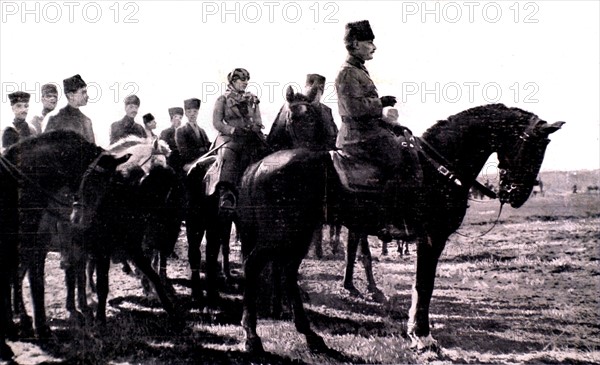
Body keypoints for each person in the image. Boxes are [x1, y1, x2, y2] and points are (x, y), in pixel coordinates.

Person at [335, 20, 417, 239]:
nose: (373, 47)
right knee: (401, 159)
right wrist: (381, 102)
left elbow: (367, 109)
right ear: (354, 44)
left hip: (368, 132)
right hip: (358, 136)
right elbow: (354, 109)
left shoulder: (358, 70)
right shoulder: (347, 73)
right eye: (368, 42)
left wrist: (393, 125)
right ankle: (388, 221)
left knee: (410, 146)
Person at [210, 68, 266, 210]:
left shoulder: (252, 99)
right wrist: (232, 130)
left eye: (247, 80)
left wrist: (256, 126)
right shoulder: (223, 99)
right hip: (230, 137)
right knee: (229, 153)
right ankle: (226, 194)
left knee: (268, 150)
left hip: (250, 136)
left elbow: (258, 119)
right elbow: (217, 122)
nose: (245, 83)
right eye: (242, 80)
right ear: (233, 81)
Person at [268, 73, 338, 151]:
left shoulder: (326, 111)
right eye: (308, 88)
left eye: (318, 91)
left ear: (321, 92)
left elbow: (334, 138)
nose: (314, 95)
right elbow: (275, 137)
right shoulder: (290, 107)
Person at [45, 74, 95, 144]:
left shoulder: (86, 121)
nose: (87, 96)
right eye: (83, 92)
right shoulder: (55, 120)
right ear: (71, 95)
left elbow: (93, 151)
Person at [175, 98, 211, 170]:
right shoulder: (181, 130)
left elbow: (209, 146)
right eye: (189, 112)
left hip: (204, 162)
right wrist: (202, 152)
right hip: (190, 164)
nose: (192, 114)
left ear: (198, 113)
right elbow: (184, 152)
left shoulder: (202, 131)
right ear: (185, 114)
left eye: (195, 111)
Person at [160, 107, 184, 172]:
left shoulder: (184, 133)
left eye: (180, 118)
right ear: (171, 119)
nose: (178, 120)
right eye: (176, 117)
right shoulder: (165, 132)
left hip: (183, 163)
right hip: (171, 163)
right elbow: (163, 149)